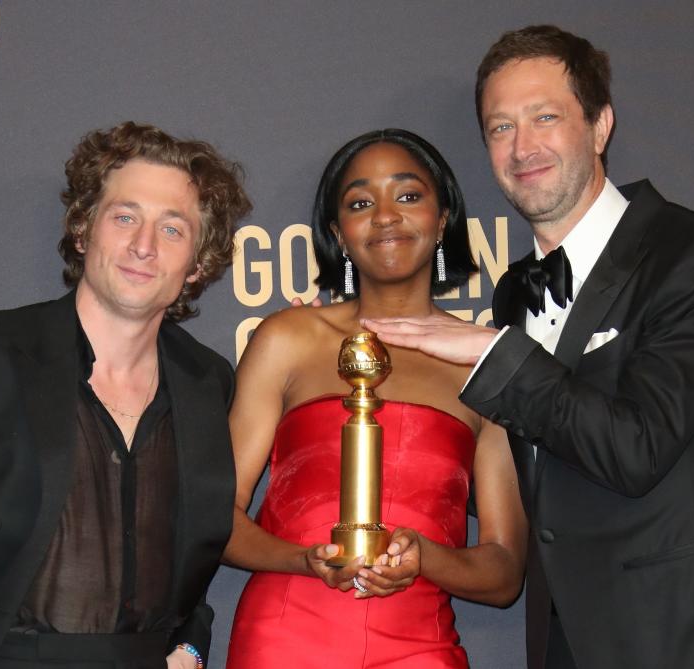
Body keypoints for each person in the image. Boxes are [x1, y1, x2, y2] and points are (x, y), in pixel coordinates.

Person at [363, 26, 694, 669]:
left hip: (690, 635)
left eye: (546, 117)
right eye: (500, 127)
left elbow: (636, 448)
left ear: (600, 127)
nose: (523, 147)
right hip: (569, 644)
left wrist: (495, 354)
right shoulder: (513, 294)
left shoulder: (690, 254)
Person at [0, 121, 251, 669]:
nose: (143, 245)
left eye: (172, 228)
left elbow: (191, 544)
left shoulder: (207, 381)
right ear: (84, 230)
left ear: (198, 264)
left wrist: (189, 641)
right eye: (125, 217)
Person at [221, 129, 527, 668]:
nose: (386, 216)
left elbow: (503, 571)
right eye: (361, 203)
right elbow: (214, 519)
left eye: (408, 196)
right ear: (339, 234)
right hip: (285, 640)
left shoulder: (484, 362)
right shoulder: (287, 339)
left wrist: (426, 558)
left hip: (421, 648)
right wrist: (305, 559)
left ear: (443, 218)